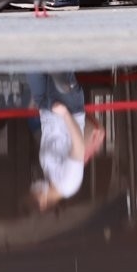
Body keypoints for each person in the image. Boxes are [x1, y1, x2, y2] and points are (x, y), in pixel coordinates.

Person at [27, 72, 86, 212]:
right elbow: (79, 148)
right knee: (58, 65)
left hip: (46, 108)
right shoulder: (68, 185)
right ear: (42, 202)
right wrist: (65, 113)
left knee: (32, 67)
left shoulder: (50, 179)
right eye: (34, 193)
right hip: (67, 108)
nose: (33, 187)